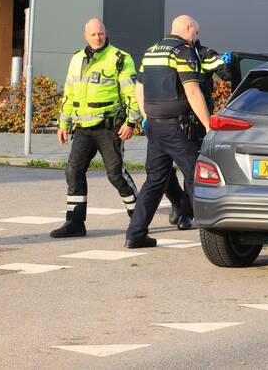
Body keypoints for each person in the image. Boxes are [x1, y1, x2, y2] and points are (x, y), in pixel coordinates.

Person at [125, 15, 212, 248]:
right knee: (199, 176)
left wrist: (146, 117)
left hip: (155, 125)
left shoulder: (151, 51)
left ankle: (135, 234)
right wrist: (209, 125)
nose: (196, 38)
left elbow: (139, 88)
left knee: (154, 180)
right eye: (196, 32)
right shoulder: (182, 52)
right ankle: (216, 234)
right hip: (178, 127)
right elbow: (192, 90)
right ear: (188, 28)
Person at [50, 18, 141, 238]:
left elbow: (133, 94)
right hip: (82, 127)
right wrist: (63, 123)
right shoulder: (76, 59)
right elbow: (69, 94)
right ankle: (75, 222)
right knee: (73, 170)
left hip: (109, 127)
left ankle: (138, 219)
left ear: (105, 32)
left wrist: (131, 122)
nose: (97, 37)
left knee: (115, 175)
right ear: (86, 35)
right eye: (93, 34)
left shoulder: (120, 58)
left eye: (100, 33)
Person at [162, 40, 226, 230]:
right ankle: (176, 201)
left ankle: (185, 212)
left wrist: (225, 63)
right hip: (167, 119)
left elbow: (225, 74)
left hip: (194, 121)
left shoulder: (203, 53)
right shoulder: (166, 52)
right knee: (161, 172)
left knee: (190, 170)